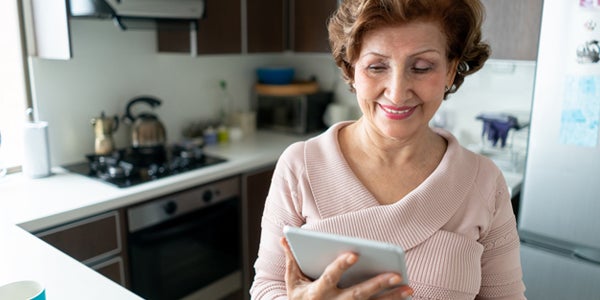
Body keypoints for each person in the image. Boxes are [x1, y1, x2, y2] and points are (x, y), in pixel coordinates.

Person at [250, 0, 526, 299]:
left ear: (450, 70)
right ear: (351, 68)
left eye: (421, 67)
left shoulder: (484, 182)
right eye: (376, 66)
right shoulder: (300, 165)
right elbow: (268, 285)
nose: (396, 92)